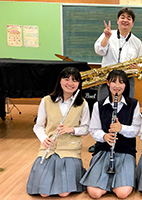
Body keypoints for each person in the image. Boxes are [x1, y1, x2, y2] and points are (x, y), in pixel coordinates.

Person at [26, 67, 90, 197]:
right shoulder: (46, 101)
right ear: (60, 81)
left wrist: (71, 129)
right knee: (43, 193)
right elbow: (38, 126)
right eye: (66, 79)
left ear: (79, 84)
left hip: (70, 148)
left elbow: (86, 129)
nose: (70, 84)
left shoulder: (83, 103)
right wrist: (44, 138)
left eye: (74, 80)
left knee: (64, 193)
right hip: (49, 148)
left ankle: (78, 172)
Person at [80, 70, 142, 199]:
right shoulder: (99, 105)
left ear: (125, 85)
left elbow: (136, 130)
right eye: (113, 81)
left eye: (121, 82)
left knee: (122, 193)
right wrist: (104, 136)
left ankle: (113, 182)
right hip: (103, 150)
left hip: (125, 151)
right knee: (94, 193)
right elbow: (94, 129)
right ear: (108, 83)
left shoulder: (134, 104)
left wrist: (121, 128)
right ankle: (106, 182)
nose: (117, 86)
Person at [94, 7, 142, 101]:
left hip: (127, 80)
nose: (125, 20)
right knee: (103, 108)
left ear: (132, 23)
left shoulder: (137, 42)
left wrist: (137, 67)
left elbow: (141, 63)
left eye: (129, 18)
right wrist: (106, 38)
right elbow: (99, 51)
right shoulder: (108, 34)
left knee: (126, 109)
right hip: (106, 79)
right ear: (117, 20)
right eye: (122, 17)